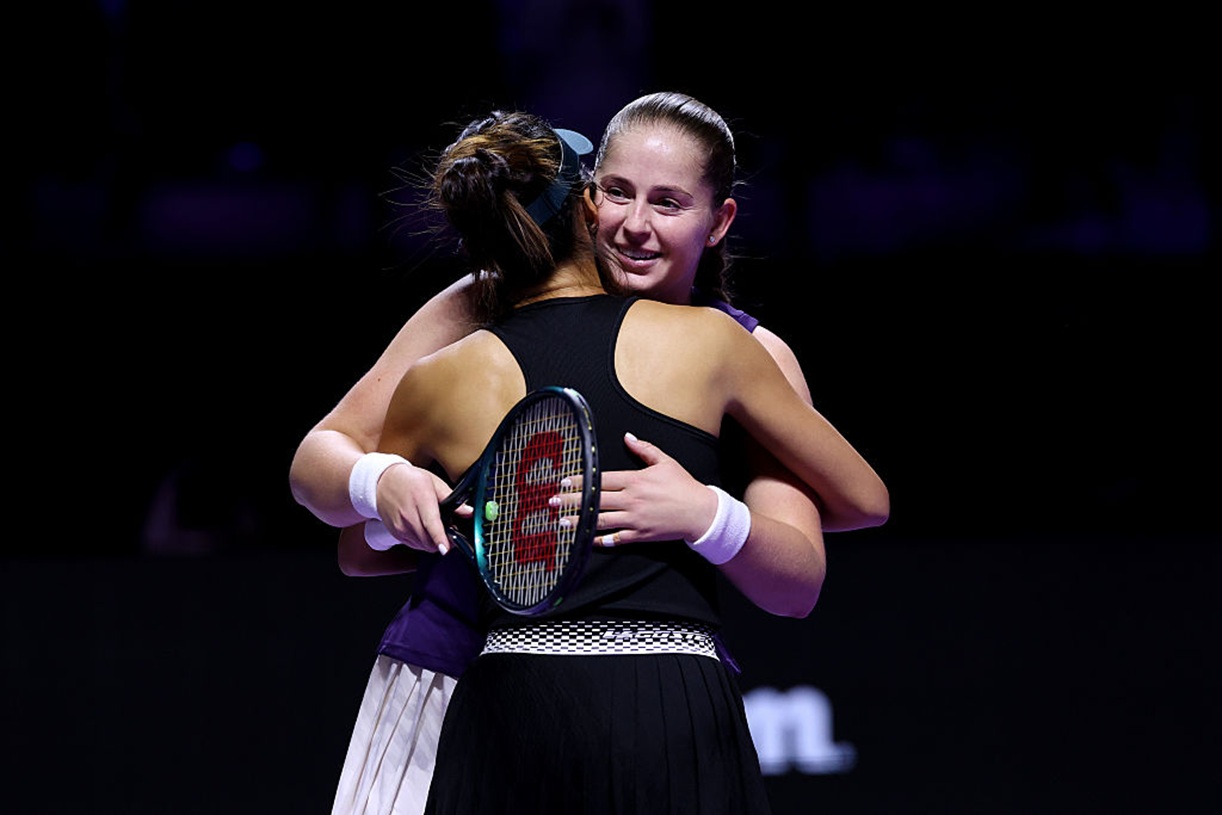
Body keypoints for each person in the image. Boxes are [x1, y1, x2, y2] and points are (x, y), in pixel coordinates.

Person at [289, 92, 889, 814]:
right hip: (449, 682)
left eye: (668, 203)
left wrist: (706, 513)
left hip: (643, 699)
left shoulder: (744, 351)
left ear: (719, 219)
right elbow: (339, 488)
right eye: (616, 192)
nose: (635, 226)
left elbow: (810, 564)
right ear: (584, 197)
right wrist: (382, 483)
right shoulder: (483, 303)